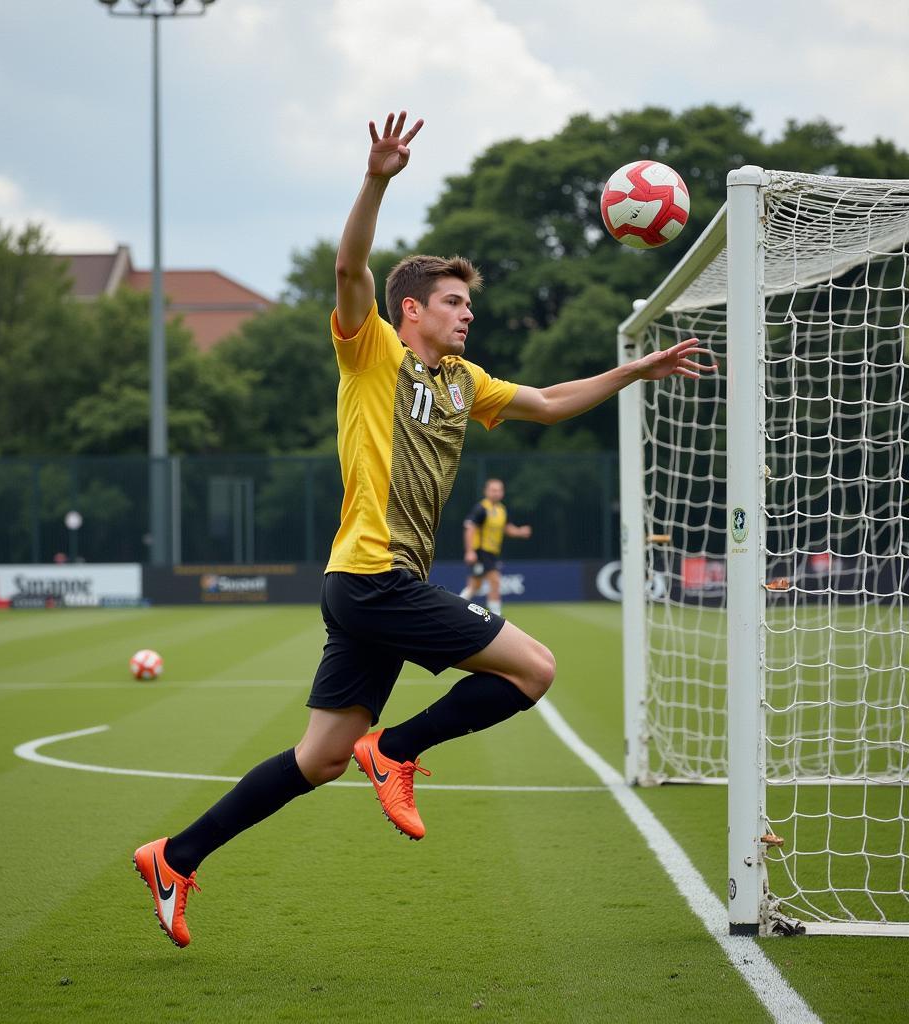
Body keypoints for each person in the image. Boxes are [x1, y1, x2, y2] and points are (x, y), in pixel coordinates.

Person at [132, 111, 715, 948]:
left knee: (319, 758)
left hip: (369, 587)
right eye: (452, 301)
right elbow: (347, 265)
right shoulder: (369, 349)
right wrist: (377, 178)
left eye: (468, 303)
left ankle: (176, 856)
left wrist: (638, 369)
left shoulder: (462, 381)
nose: (466, 313)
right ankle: (397, 750)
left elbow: (547, 404)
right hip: (374, 577)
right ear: (411, 310)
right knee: (534, 670)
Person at [459, 478, 531, 616]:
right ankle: (496, 616)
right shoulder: (481, 508)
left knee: (475, 585)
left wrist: (520, 531)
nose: (496, 493)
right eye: (493, 490)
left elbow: (508, 529)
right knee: (495, 581)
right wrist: (469, 551)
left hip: (492, 552)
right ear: (486, 491)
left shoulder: (501, 510)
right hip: (481, 551)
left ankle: (455, 609)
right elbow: (470, 528)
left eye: (499, 490)